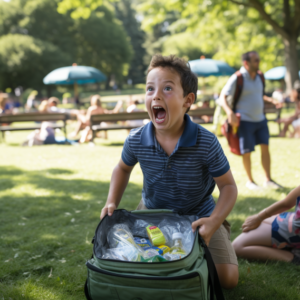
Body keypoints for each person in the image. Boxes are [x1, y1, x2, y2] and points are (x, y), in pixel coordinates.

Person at [100, 54, 239, 289]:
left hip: (200, 215)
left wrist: (214, 221)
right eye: (150, 89)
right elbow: (122, 169)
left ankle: (205, 250)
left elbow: (228, 186)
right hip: (152, 214)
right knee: (140, 263)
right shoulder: (135, 140)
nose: (156, 95)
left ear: (188, 100)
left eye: (167, 88)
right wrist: (111, 201)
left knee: (227, 280)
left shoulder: (205, 142)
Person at [220, 51, 282, 190]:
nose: (258, 62)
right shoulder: (238, 77)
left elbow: (258, 95)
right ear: (246, 63)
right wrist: (230, 113)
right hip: (245, 121)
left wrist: (271, 100)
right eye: (255, 60)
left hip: (260, 119)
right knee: (246, 151)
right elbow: (222, 96)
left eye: (258, 60)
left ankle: (268, 180)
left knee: (265, 148)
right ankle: (250, 181)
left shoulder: (260, 76)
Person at [232, 185, 300, 265]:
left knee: (236, 247)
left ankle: (293, 257)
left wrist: (259, 218)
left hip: (294, 231)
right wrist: (259, 217)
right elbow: (286, 203)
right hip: (292, 221)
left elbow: (286, 204)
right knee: (264, 221)